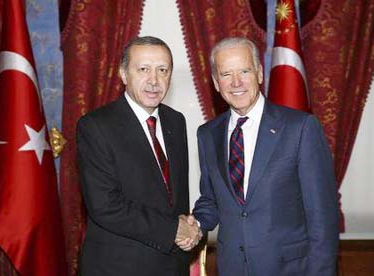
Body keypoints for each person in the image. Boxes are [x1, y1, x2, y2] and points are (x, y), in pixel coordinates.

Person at [191, 37, 339, 275]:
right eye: (226, 74)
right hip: (233, 269)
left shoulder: (300, 128)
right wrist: (194, 224)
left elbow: (322, 214)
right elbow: (211, 200)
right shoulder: (207, 134)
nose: (236, 82)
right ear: (216, 83)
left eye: (244, 70)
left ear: (259, 74)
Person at [77, 36, 200, 276]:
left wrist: (190, 228)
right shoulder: (95, 126)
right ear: (123, 74)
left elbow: (174, 198)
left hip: (173, 265)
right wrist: (173, 229)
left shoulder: (176, 121)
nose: (154, 80)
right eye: (143, 69)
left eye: (162, 70)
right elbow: (105, 206)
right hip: (119, 267)